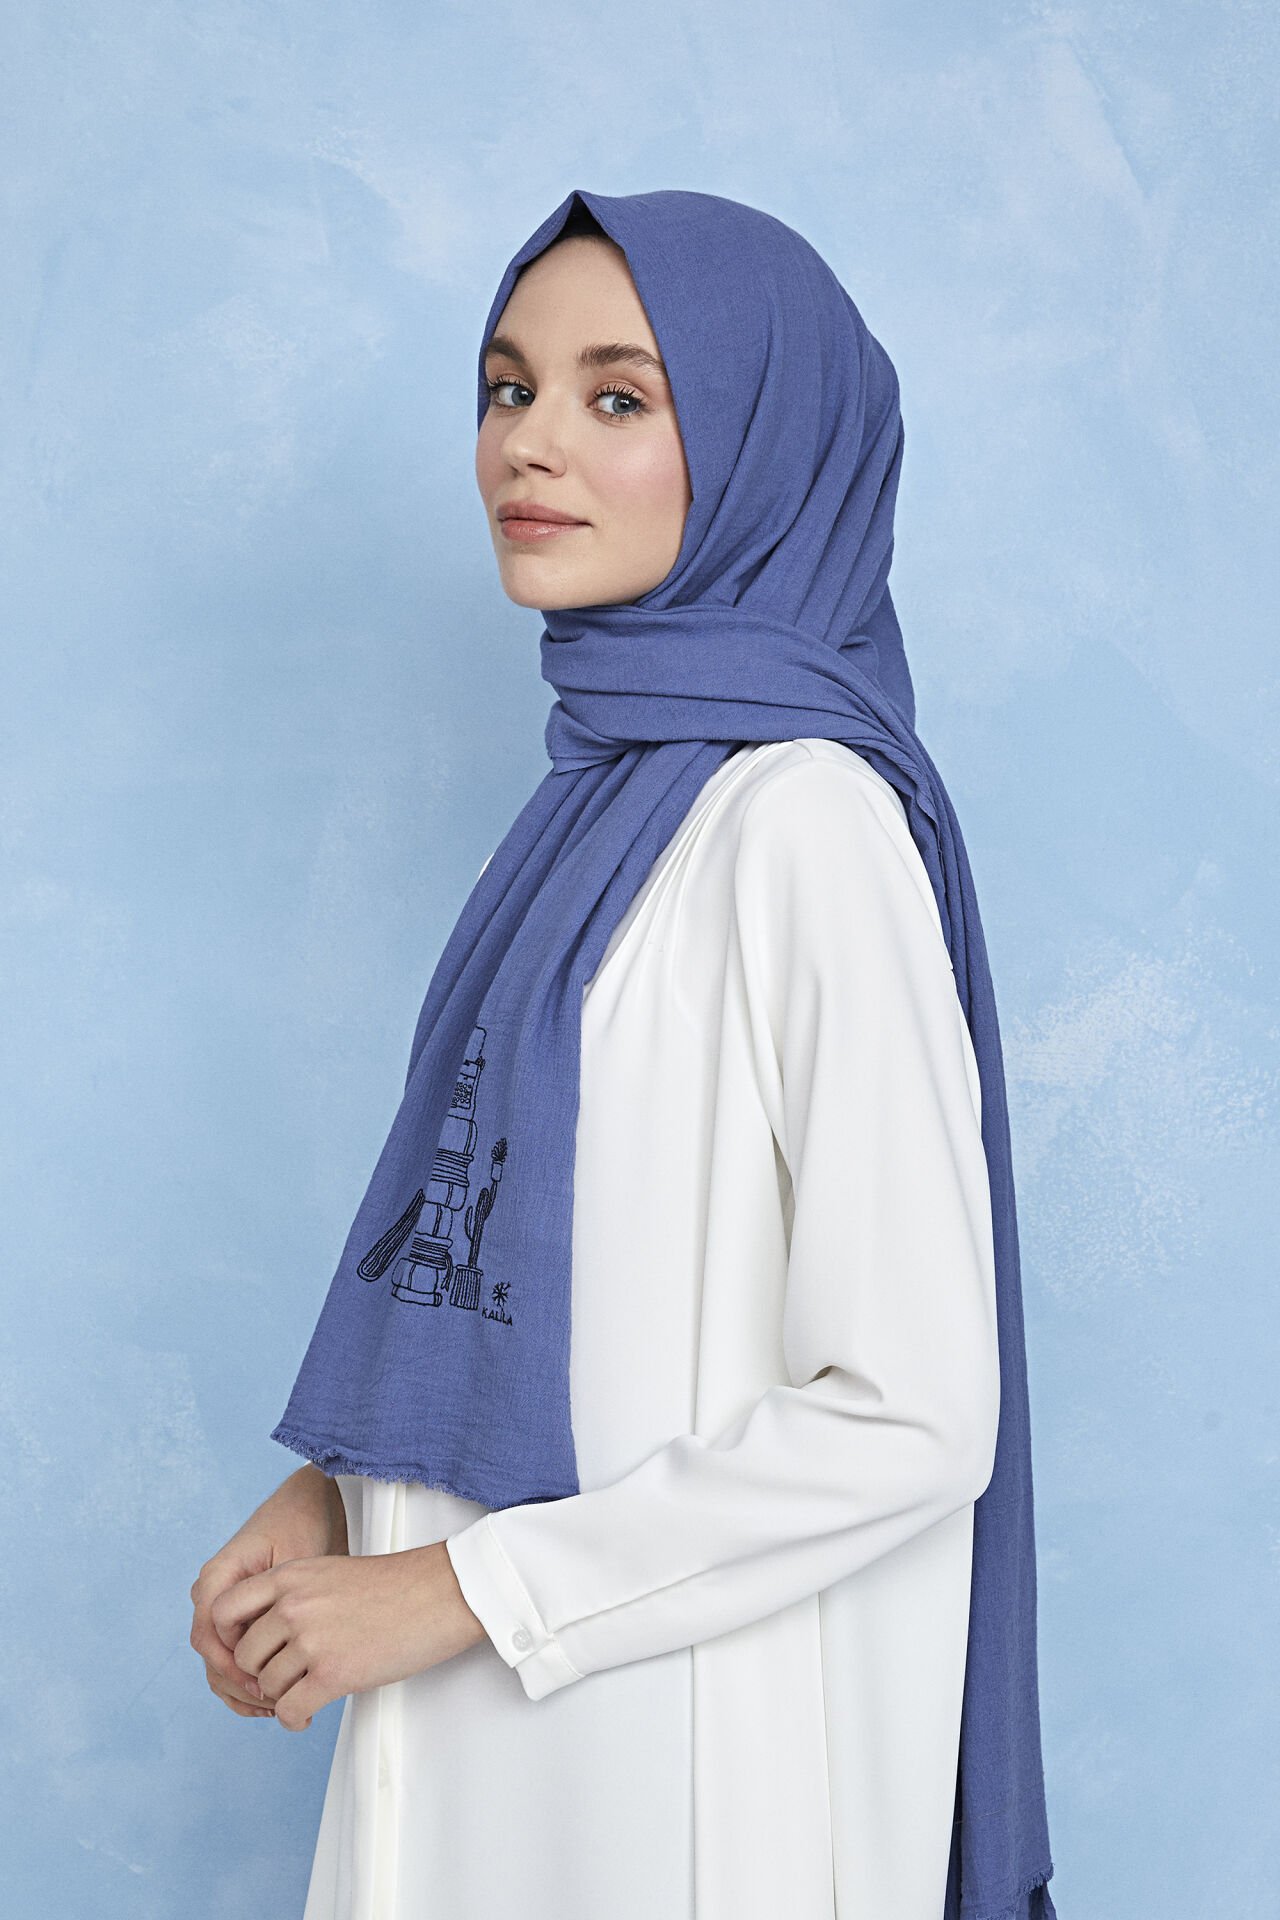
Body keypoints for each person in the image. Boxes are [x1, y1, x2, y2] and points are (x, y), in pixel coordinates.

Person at [189, 189, 1057, 1919]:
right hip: (476, 1746)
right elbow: (556, 1276)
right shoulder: (591, 809)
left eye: (619, 396)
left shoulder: (802, 822)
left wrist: (456, 1592)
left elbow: (912, 1411)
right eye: (509, 387)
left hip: (688, 1790)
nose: (531, 442)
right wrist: (339, 1506)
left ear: (766, 447)